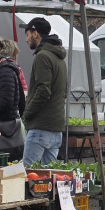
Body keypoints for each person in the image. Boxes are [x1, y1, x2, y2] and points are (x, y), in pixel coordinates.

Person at [20, 17, 68, 165]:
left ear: (35, 34)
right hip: (56, 128)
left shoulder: (43, 56)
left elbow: (43, 91)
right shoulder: (58, 56)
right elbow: (64, 91)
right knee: (48, 177)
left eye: (27, 34)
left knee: (28, 175)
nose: (26, 39)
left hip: (41, 127)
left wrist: (26, 114)